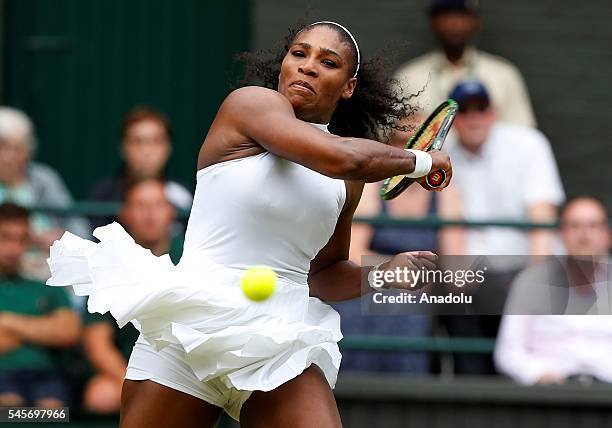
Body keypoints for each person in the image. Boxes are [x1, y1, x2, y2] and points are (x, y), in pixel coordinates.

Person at [47, 21, 452, 427]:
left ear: (348, 86)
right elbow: (344, 157)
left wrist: (381, 275)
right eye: (299, 53)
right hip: (191, 327)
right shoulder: (250, 105)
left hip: (279, 342)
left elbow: (322, 274)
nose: (307, 66)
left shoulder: (348, 182)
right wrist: (421, 161)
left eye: (327, 62)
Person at [441, 79, 565, 375]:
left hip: (526, 267)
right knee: (452, 303)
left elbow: (542, 222)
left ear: (493, 113)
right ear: (452, 120)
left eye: (480, 109)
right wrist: (457, 278)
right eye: (464, 110)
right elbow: (451, 225)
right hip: (477, 273)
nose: (473, 117)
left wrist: (531, 281)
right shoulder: (442, 156)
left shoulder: (528, 144)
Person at [333, 137, 464, 374]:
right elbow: (353, 253)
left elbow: (455, 270)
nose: (412, 150)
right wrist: (393, 273)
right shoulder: (370, 186)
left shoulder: (447, 194)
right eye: (402, 142)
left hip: (419, 289)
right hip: (371, 283)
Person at [82, 179, 183, 413]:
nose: (150, 214)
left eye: (157, 205)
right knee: (100, 395)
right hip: (128, 374)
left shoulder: (193, 256)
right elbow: (96, 340)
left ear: (170, 212)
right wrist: (133, 384)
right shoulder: (108, 263)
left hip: (190, 371)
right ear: (124, 213)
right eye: (140, 205)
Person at [495, 197, 612, 384]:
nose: (584, 235)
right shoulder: (530, 282)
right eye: (575, 226)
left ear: (608, 236)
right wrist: (540, 375)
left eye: (593, 226)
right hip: (548, 397)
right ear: (560, 233)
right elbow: (509, 352)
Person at [394, 0, 536, 127]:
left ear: (475, 22)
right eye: (446, 15)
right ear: (433, 22)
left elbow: (525, 136)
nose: (453, 23)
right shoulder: (408, 76)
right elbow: (388, 138)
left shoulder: (504, 75)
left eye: (461, 15)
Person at [0, 203, 80, 407]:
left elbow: (68, 331)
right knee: (9, 405)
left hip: (47, 378)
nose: (14, 248)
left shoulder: (46, 285)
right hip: (3, 379)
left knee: (51, 408)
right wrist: (41, 331)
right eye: (5, 237)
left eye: (21, 240)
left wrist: (7, 322)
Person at [0, 107, 90, 280]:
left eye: (16, 148)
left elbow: (79, 229)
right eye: (2, 147)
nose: (7, 157)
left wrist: (58, 238)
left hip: (44, 270)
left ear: (28, 151)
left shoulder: (45, 179)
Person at [88, 107, 192, 230]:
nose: (147, 150)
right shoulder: (102, 196)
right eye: (137, 141)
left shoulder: (183, 196)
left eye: (156, 141)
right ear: (123, 147)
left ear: (168, 147)